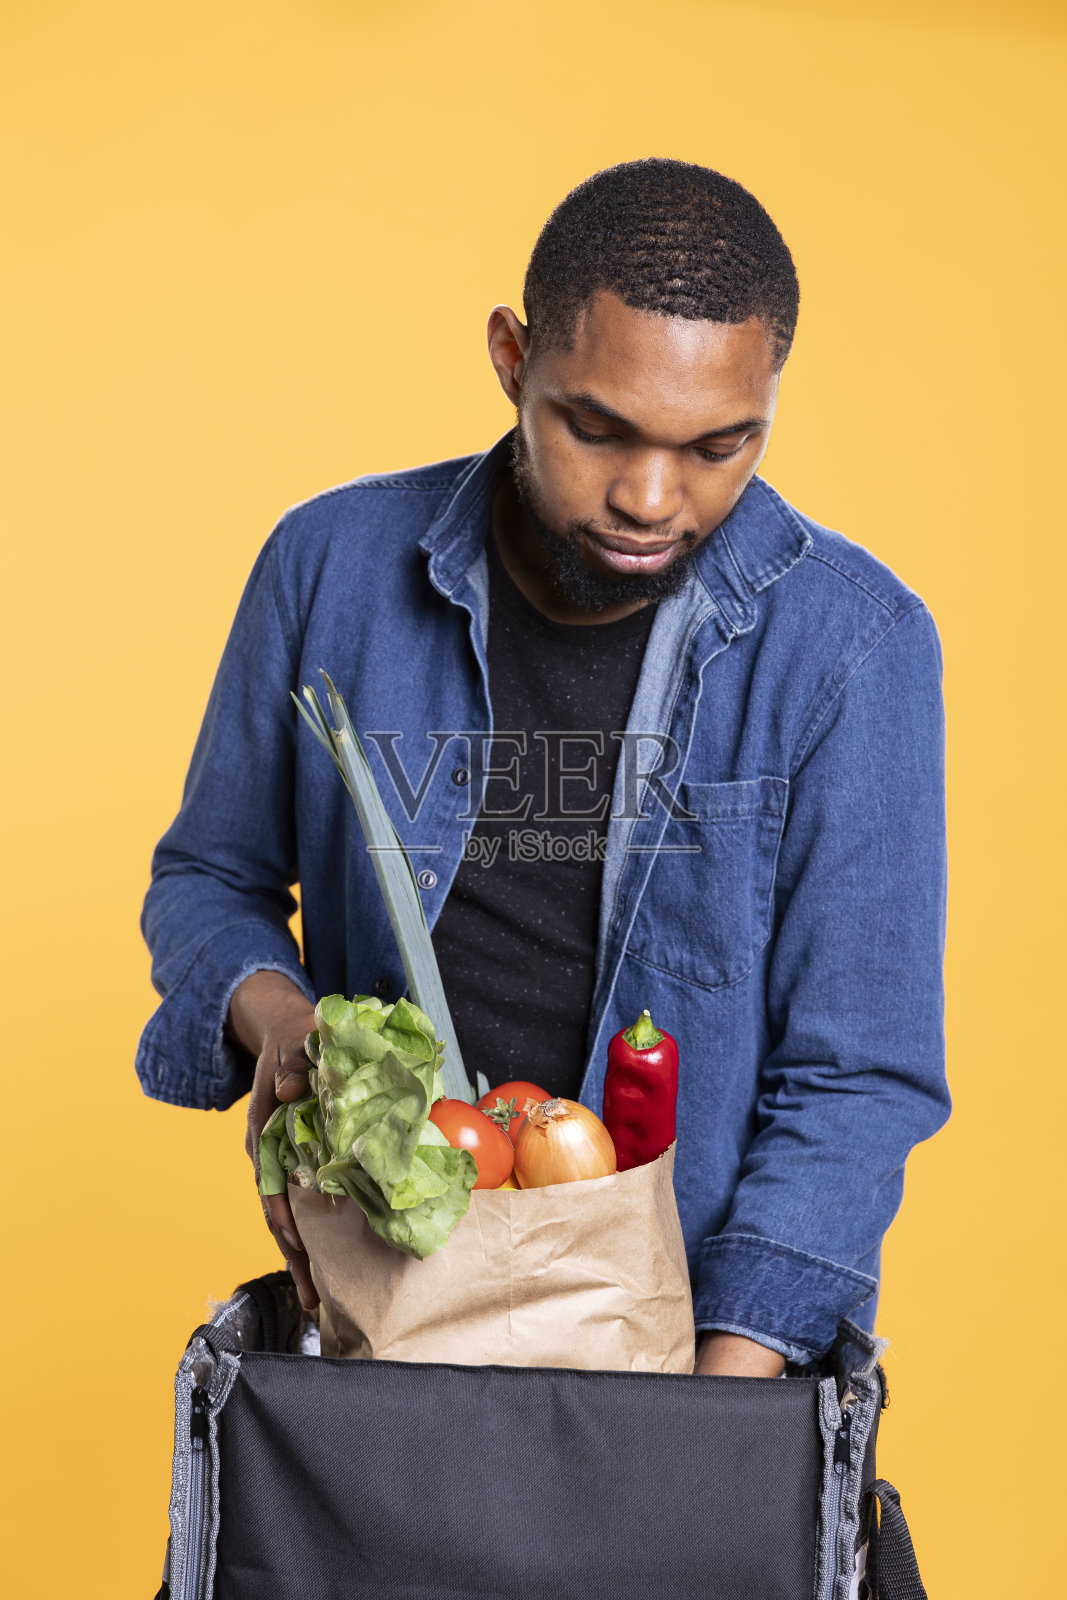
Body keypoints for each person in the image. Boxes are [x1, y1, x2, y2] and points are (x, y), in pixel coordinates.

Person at [138, 158, 949, 1377]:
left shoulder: (852, 646)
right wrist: (286, 1025)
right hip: (389, 1320)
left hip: (695, 1349)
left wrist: (712, 1427)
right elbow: (208, 878)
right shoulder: (327, 568)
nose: (650, 497)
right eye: (596, 427)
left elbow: (856, 1072)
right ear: (512, 358)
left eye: (719, 447)